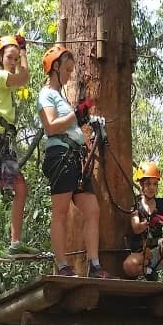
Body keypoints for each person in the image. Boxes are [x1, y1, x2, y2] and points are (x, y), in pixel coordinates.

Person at [37, 45, 108, 278]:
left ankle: (94, 265)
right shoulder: (46, 94)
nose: (69, 75)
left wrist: (83, 119)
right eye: (67, 69)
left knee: (93, 210)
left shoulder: (61, 98)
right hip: (61, 156)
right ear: (55, 67)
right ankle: (63, 265)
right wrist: (75, 115)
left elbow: (70, 124)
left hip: (75, 158)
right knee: (60, 211)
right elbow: (50, 126)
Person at [0, 34, 40, 260]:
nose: (13, 63)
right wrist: (24, 52)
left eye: (15, 59)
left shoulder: (5, 81)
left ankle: (15, 242)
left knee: (21, 188)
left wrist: (21, 53)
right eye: (10, 58)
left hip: (4, 139)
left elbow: (21, 78)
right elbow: (23, 77)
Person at [124, 162, 163, 282]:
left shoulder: (162, 203)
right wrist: (147, 223)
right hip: (142, 255)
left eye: (155, 184)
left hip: (160, 251)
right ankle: (149, 272)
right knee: (128, 266)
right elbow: (136, 227)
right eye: (148, 184)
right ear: (141, 185)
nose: (152, 187)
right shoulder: (136, 205)